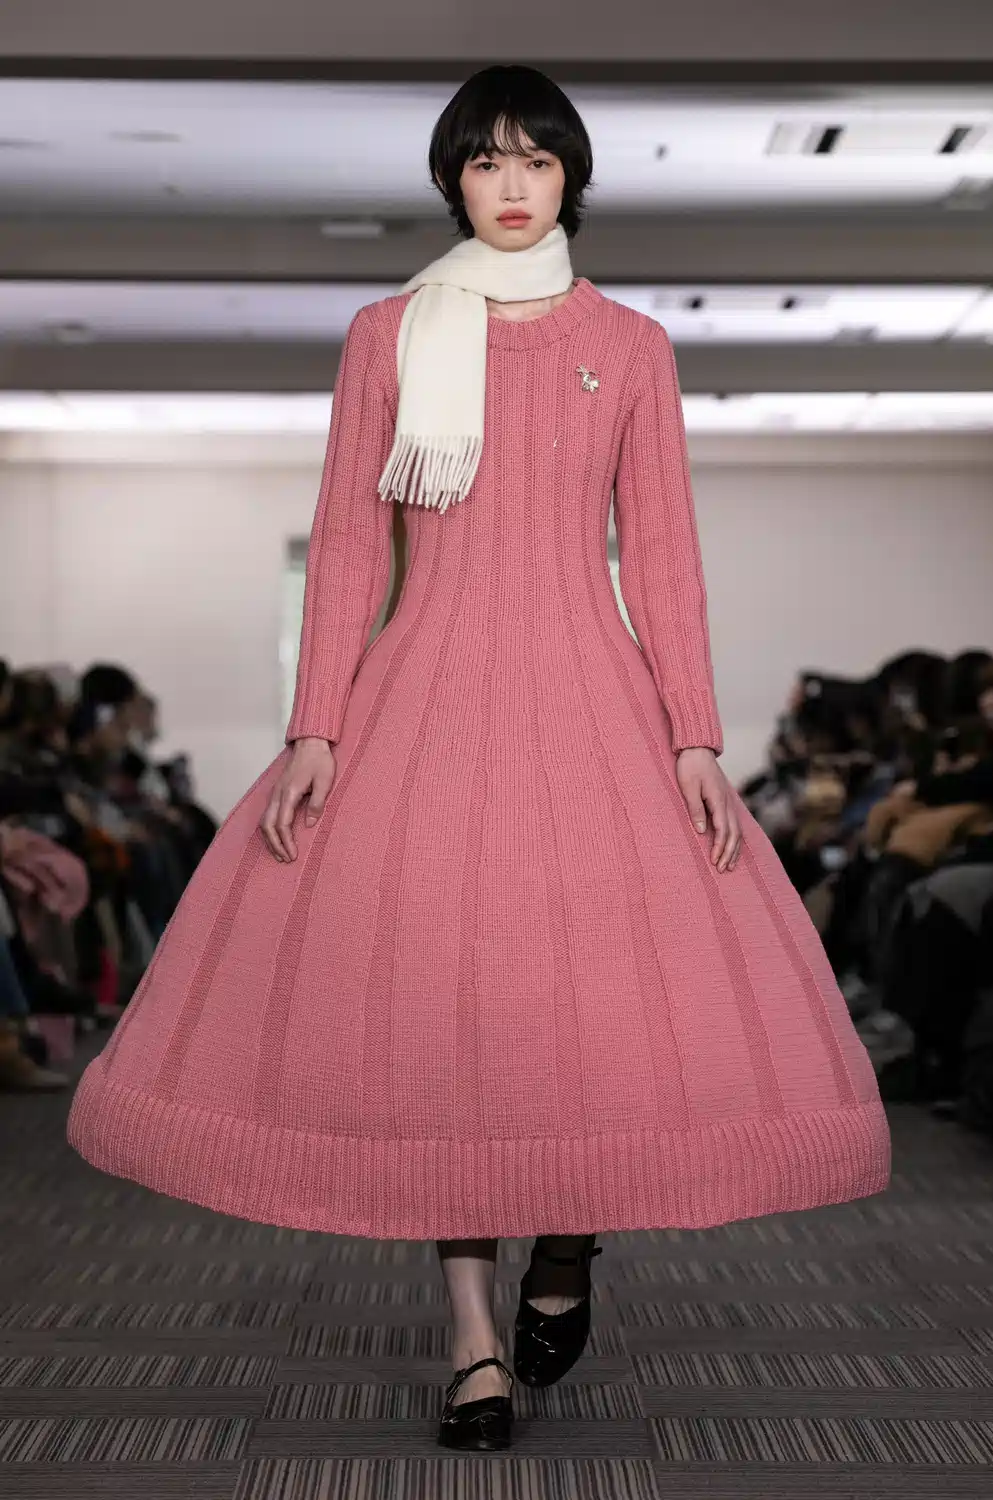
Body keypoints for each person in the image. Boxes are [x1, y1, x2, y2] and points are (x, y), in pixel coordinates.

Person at [66, 65, 892, 1453]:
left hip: (593, 704)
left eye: (539, 162)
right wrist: (316, 724)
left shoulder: (631, 345)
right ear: (453, 180)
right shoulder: (386, 335)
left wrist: (695, 735)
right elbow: (348, 539)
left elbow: (665, 558)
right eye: (488, 162)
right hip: (424, 707)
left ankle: (566, 1242)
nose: (513, 187)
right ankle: (472, 1345)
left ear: (573, 181)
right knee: (442, 1024)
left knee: (584, 1007)